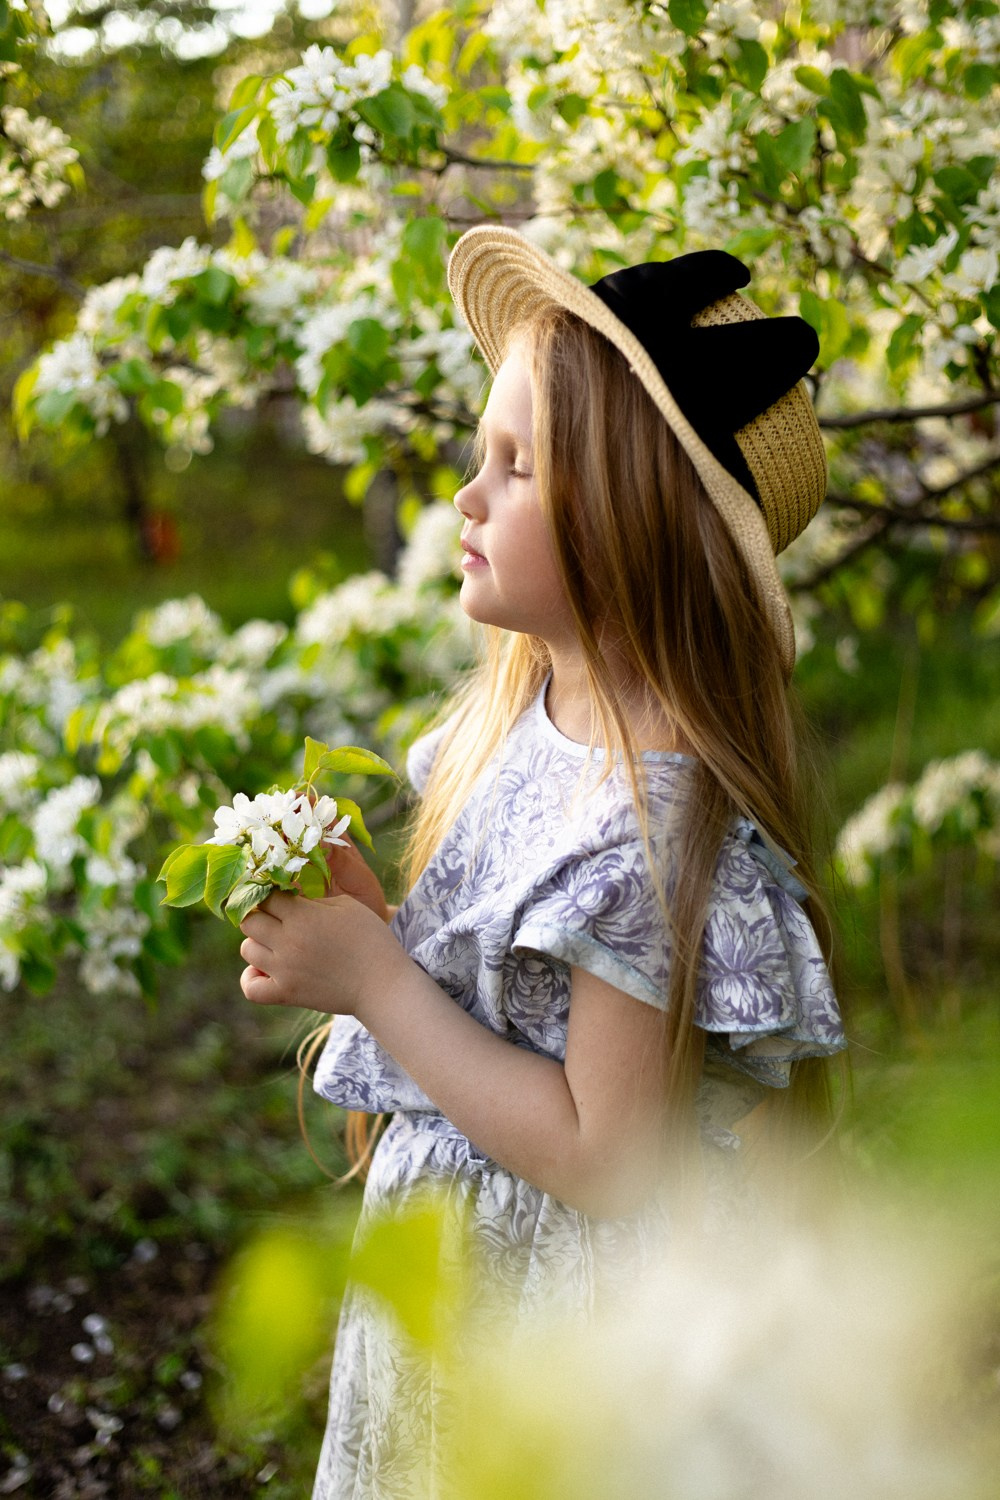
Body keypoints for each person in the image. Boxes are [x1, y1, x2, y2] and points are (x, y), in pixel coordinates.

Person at [236, 226, 847, 1498]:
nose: (467, 497)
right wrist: (384, 936)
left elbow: (603, 1153)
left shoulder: (649, 825)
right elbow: (514, 997)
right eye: (482, 456)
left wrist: (377, 989)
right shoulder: (517, 721)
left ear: (633, 529)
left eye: (517, 468)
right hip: (465, 1274)